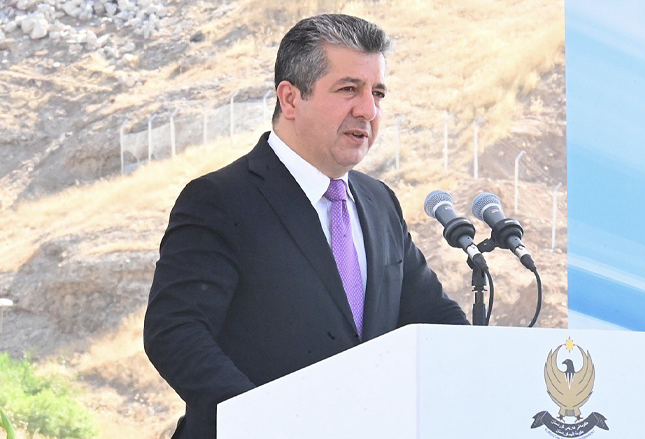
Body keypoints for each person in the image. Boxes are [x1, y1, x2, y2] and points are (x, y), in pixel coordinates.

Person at [144, 13, 468, 439]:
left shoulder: (380, 203)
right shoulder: (220, 199)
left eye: (378, 93)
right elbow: (175, 331)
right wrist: (263, 422)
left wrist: (483, 365)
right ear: (291, 99)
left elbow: (434, 319)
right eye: (349, 89)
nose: (368, 110)